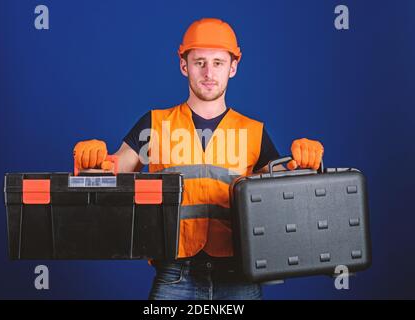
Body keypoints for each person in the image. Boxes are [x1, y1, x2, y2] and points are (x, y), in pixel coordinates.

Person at [73, 18, 324, 300]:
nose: (208, 72)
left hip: (239, 274)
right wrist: (94, 159)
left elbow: (285, 191)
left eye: (218, 62)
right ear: (184, 66)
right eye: (199, 62)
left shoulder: (253, 132)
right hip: (175, 275)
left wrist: (303, 162)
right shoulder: (154, 124)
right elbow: (114, 171)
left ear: (233, 67)